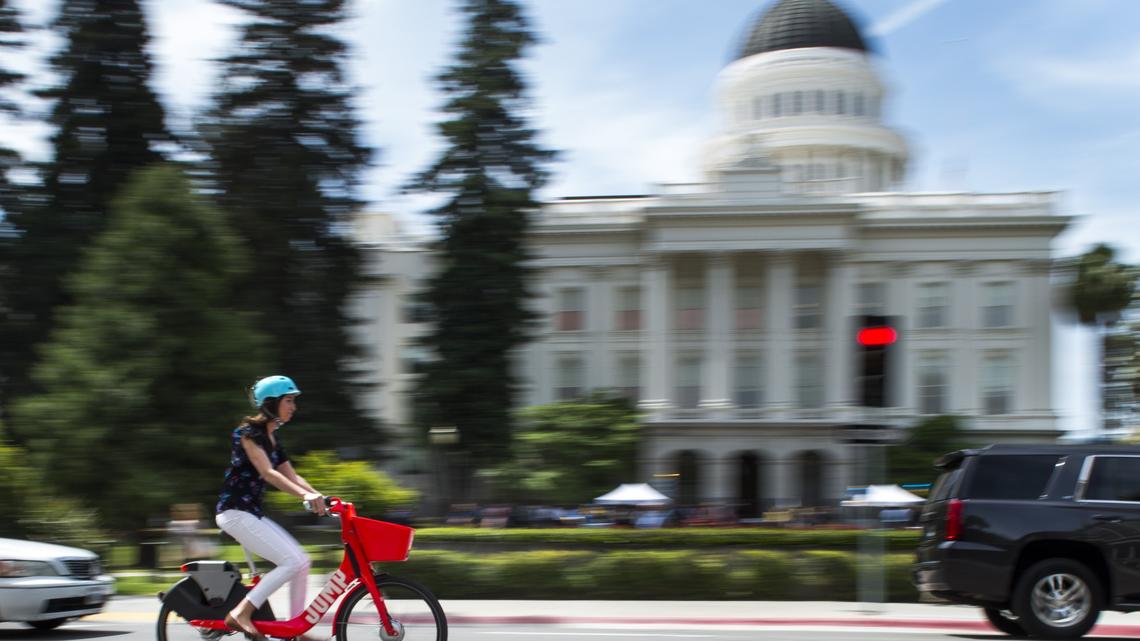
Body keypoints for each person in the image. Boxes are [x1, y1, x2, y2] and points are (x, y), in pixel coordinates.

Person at [215, 375, 327, 640]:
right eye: (288, 401)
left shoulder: (273, 439)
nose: (293, 407)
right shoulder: (247, 434)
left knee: (303, 561)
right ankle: (241, 613)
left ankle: (296, 628)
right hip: (234, 512)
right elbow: (268, 473)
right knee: (291, 561)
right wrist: (305, 496)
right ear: (271, 403)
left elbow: (292, 476)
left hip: (251, 513)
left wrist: (320, 496)